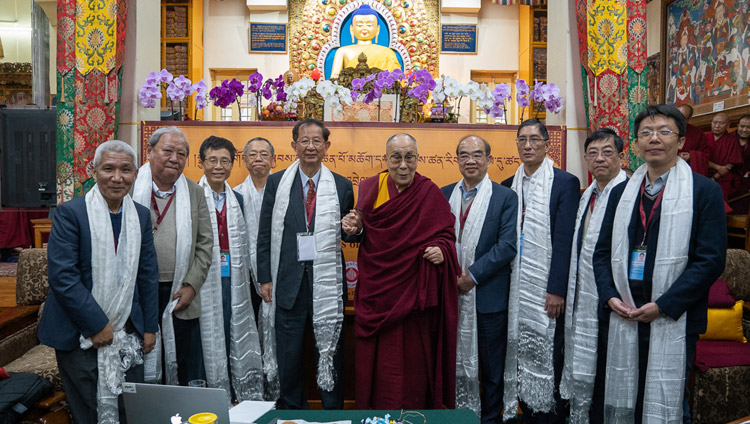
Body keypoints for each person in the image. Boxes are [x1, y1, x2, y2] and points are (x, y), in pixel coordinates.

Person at [594, 105, 726, 423]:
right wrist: (610, 296)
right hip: (623, 312)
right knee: (628, 398)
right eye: (646, 133)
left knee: (668, 399)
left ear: (680, 142)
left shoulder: (704, 191)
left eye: (664, 131)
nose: (654, 139)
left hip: (673, 314)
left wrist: (664, 305)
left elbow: (710, 261)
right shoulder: (621, 193)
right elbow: (600, 254)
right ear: (636, 144)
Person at [38, 140, 158, 423]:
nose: (117, 177)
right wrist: (97, 325)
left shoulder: (139, 215)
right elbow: (63, 277)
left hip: (128, 332)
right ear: (93, 171)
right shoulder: (71, 213)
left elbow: (147, 274)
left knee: (130, 410)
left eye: (125, 170)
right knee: (88, 412)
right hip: (79, 332)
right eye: (108, 168)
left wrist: (150, 327)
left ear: (135, 173)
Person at [342, 133, 459, 410]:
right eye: (396, 157)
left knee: (413, 360)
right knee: (380, 361)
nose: (403, 165)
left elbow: (446, 235)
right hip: (378, 291)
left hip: (413, 296)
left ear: (418, 160)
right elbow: (362, 228)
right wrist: (355, 227)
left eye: (409, 157)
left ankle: (416, 410)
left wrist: (441, 250)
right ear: (386, 159)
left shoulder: (429, 192)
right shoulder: (370, 188)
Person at [256, 119, 354, 409]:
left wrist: (355, 228)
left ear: (326, 146)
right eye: (304, 140)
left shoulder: (341, 185)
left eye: (317, 141)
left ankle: (332, 414)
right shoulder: (276, 183)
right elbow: (264, 233)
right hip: (287, 284)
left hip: (327, 287)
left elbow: (351, 232)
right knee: (290, 357)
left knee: (330, 353)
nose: (310, 146)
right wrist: (264, 277)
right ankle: (292, 412)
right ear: (294, 145)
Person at [501, 119, 580, 423]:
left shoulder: (564, 182)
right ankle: (526, 409)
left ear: (548, 144)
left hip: (547, 286)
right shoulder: (509, 184)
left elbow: (564, 242)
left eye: (535, 139)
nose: (528, 145)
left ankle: (550, 414)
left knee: (551, 351)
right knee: (519, 347)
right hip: (516, 284)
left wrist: (556, 289)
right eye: (522, 139)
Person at [440, 135, 517, 422]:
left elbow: (507, 246)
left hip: (487, 296)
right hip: (449, 294)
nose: (470, 160)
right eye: (463, 155)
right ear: (456, 159)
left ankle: (490, 419)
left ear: (488, 159)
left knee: (491, 368)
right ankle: (457, 416)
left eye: (477, 155)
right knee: (451, 363)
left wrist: (472, 276)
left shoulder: (505, 197)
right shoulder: (444, 193)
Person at [132, 127, 213, 387]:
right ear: (149, 151)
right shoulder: (129, 186)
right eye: (167, 151)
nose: (174, 158)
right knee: (138, 358)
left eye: (181, 154)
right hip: (136, 292)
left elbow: (205, 243)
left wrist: (191, 285)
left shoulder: (194, 192)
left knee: (183, 363)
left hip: (180, 295)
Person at [559, 128, 627, 423]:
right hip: (586, 298)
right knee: (591, 366)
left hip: (619, 298)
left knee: (611, 372)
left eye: (607, 152)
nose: (599, 159)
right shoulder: (587, 194)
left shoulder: (629, 192)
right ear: (585, 158)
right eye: (593, 153)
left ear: (622, 157)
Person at [197, 136, 264, 400]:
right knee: (207, 336)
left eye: (225, 161)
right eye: (212, 160)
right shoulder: (192, 195)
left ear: (233, 164)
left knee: (231, 329)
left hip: (234, 278)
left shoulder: (237, 198)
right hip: (204, 281)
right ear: (201, 162)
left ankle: (237, 396)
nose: (218, 166)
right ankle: (210, 396)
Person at [330, 4, 402, 78]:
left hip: (379, 89)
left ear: (377, 29)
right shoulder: (342, 51)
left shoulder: (387, 53)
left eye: (369, 25)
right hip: (350, 88)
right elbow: (334, 78)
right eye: (359, 25)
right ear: (351, 29)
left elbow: (394, 81)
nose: (364, 28)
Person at [707, 112, 743, 202]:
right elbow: (699, 157)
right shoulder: (704, 137)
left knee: (718, 204)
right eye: (714, 122)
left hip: (722, 178)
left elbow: (732, 162)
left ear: (728, 125)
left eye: (721, 123)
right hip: (703, 175)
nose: (717, 125)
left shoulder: (732, 141)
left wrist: (715, 176)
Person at [677, 104, 709, 176]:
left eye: (683, 118)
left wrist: (692, 156)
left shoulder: (697, 133)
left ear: (689, 119)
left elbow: (705, 154)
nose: (679, 120)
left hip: (689, 171)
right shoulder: (666, 130)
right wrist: (676, 156)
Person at [729, 114, 750, 214]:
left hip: (743, 183)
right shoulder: (728, 139)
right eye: (742, 126)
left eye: (748, 127)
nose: (745, 130)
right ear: (737, 125)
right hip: (726, 180)